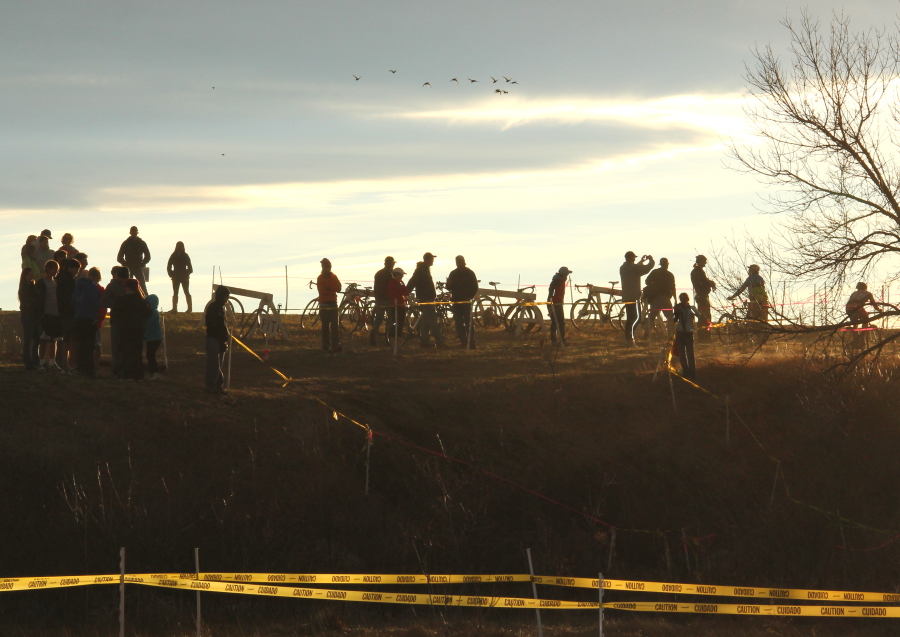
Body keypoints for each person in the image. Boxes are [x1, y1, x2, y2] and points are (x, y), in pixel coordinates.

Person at [112, 279, 151, 381]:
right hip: (138, 330)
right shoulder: (141, 300)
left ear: (128, 288)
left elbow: (115, 314)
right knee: (137, 353)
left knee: (126, 352)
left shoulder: (122, 300)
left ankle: (127, 374)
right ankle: (138, 375)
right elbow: (148, 313)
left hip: (125, 329)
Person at [407, 252, 446, 348]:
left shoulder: (424, 269)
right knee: (432, 320)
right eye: (432, 259)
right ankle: (440, 341)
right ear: (427, 259)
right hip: (425, 298)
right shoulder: (421, 270)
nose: (433, 261)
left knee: (425, 321)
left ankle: (424, 341)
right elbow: (413, 281)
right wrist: (406, 291)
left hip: (427, 297)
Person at [72, 266, 103, 377]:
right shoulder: (92, 287)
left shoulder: (77, 286)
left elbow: (73, 302)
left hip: (78, 318)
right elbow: (96, 303)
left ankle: (79, 367)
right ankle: (88, 368)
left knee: (80, 344)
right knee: (89, 345)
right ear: (95, 277)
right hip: (89, 319)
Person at [620, 251, 655, 346]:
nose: (634, 259)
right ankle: (630, 338)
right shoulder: (633, 268)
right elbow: (647, 268)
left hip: (626, 296)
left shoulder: (623, 268)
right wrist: (651, 260)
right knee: (637, 318)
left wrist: (641, 261)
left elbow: (635, 268)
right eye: (634, 258)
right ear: (631, 258)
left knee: (630, 318)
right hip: (634, 296)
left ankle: (628, 337)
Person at [445, 255, 479, 348]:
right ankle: (463, 342)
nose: (459, 263)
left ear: (464, 262)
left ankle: (471, 342)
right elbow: (448, 287)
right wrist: (448, 284)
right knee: (459, 322)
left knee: (468, 322)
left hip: (465, 301)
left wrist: (469, 297)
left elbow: (475, 287)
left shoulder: (469, 273)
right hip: (456, 301)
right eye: (458, 261)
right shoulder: (453, 273)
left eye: (460, 261)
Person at [35, 260, 63, 371]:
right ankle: (42, 361)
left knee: (53, 339)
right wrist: (41, 313)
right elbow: (39, 299)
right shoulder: (41, 283)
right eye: (55, 269)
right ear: (49, 269)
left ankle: (52, 361)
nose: (56, 271)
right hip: (46, 314)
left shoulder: (56, 283)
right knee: (44, 338)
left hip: (56, 314)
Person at [103, 266, 130, 377]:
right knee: (117, 346)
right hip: (118, 320)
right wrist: (118, 304)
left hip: (125, 320)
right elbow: (105, 301)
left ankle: (123, 369)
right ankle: (117, 370)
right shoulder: (113, 286)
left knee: (123, 346)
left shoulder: (119, 285)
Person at [56, 257, 81, 372]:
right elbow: (72, 298)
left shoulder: (59, 278)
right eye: (76, 269)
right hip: (69, 312)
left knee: (64, 339)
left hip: (61, 312)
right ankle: (71, 363)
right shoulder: (70, 280)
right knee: (71, 339)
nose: (77, 272)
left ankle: (63, 363)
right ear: (71, 268)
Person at [642, 258, 676, 340]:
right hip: (665, 298)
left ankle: (646, 334)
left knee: (651, 316)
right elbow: (672, 288)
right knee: (670, 317)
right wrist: (675, 299)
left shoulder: (655, 272)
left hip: (655, 298)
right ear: (667, 264)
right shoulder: (670, 275)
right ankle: (670, 335)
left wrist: (653, 286)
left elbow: (647, 281)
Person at [205, 285, 231, 393]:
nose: (227, 299)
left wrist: (224, 337)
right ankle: (212, 386)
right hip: (213, 339)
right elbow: (216, 325)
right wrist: (222, 335)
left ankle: (218, 385)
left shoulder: (220, 308)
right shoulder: (214, 308)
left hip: (220, 340)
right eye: (226, 296)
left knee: (218, 364)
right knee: (214, 364)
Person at [672, 293, 701, 379]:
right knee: (682, 354)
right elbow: (675, 320)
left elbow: (699, 315)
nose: (683, 300)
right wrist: (676, 311)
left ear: (687, 299)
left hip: (688, 333)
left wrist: (695, 311)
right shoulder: (678, 308)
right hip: (680, 333)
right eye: (682, 299)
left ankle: (692, 373)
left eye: (685, 299)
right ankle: (685, 371)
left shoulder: (691, 308)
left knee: (690, 354)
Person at [317, 258, 342, 353]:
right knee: (325, 327)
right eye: (326, 266)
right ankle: (325, 347)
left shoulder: (334, 277)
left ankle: (335, 346)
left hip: (333, 304)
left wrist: (329, 288)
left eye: (329, 266)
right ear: (323, 267)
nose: (328, 268)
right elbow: (322, 290)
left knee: (335, 327)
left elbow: (339, 288)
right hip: (324, 305)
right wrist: (332, 289)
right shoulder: (320, 278)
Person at [18, 268, 41, 370]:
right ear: (25, 275)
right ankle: (29, 362)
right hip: (28, 316)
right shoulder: (25, 288)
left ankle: (34, 361)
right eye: (31, 274)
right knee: (29, 339)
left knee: (36, 339)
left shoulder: (32, 286)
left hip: (33, 315)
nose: (32, 276)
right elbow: (29, 302)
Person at [117, 226, 151, 295]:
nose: (134, 234)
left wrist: (142, 264)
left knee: (142, 286)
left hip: (137, 267)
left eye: (135, 232)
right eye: (133, 232)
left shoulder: (141, 243)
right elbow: (119, 257)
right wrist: (126, 265)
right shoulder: (126, 243)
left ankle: (146, 300)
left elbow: (148, 256)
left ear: (137, 233)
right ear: (130, 233)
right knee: (126, 286)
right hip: (128, 268)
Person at [370, 256, 396, 345]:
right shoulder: (391, 274)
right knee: (392, 318)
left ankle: (373, 333)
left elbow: (376, 287)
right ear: (392, 263)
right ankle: (389, 336)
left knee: (379, 318)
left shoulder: (378, 273)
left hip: (379, 299)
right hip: (388, 299)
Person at [690, 255, 716, 342]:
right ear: (700, 262)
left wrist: (709, 282)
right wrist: (710, 283)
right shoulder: (697, 272)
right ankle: (705, 336)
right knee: (705, 316)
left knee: (703, 316)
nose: (705, 263)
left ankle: (703, 336)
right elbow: (702, 283)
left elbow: (704, 281)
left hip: (701, 296)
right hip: (702, 296)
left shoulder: (697, 271)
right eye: (704, 261)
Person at [845, 282, 878, 347]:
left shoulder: (854, 293)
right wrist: (878, 310)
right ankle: (862, 338)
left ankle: (856, 340)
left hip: (849, 309)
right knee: (866, 319)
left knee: (855, 323)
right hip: (857, 308)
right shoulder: (868, 294)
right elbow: (873, 303)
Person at [547, 266, 572, 346]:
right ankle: (554, 340)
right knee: (555, 322)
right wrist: (550, 303)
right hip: (554, 304)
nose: (567, 275)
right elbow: (551, 293)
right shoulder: (556, 281)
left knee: (561, 322)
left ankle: (562, 339)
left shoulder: (561, 281)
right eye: (566, 274)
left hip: (559, 303)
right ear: (563, 274)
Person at [166, 241, 193, 313]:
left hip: (183, 277)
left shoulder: (185, 256)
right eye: (178, 246)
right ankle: (174, 309)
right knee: (175, 292)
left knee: (186, 292)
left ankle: (189, 309)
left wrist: (185, 274)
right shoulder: (173, 255)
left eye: (180, 247)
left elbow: (190, 269)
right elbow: (169, 266)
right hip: (176, 277)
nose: (179, 248)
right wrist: (171, 274)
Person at [144, 294, 164, 380]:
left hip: (154, 338)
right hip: (153, 337)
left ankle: (155, 372)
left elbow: (147, 324)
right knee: (150, 354)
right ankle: (155, 372)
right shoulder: (154, 312)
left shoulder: (153, 313)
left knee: (150, 355)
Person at [387, 267, 409, 340]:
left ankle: (398, 338)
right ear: (396, 274)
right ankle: (392, 337)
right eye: (401, 275)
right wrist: (400, 290)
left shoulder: (401, 282)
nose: (402, 276)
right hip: (395, 305)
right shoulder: (391, 283)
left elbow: (406, 292)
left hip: (402, 305)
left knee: (401, 322)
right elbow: (392, 294)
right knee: (395, 322)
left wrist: (401, 289)